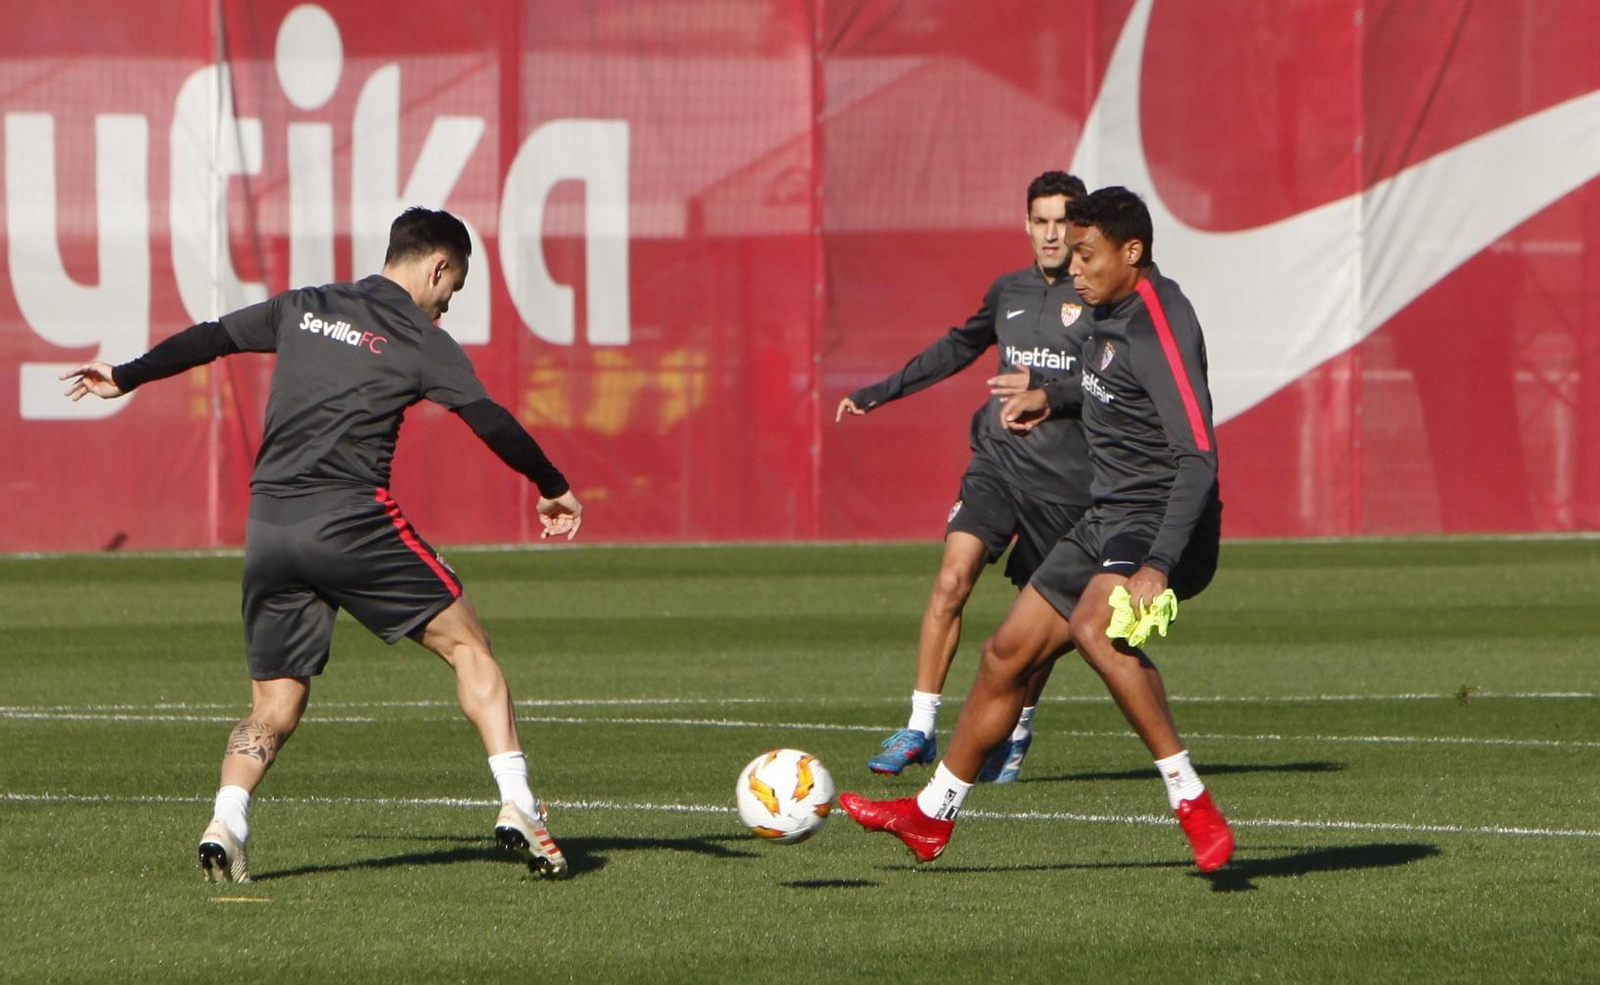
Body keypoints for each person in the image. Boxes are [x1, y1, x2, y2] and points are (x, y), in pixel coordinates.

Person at [62, 207, 583, 883]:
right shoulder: (420, 337)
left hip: (271, 529)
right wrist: (553, 484)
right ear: (438, 266)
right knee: (469, 646)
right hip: (352, 521)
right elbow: (488, 419)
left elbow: (214, 337)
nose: (447, 305)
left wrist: (128, 374)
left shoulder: (304, 306)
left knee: (273, 705)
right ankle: (517, 800)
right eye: (450, 290)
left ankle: (228, 818)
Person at [838, 186, 1234, 872]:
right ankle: (932, 815)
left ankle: (1191, 797)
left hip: (1159, 522)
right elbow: (1106, 384)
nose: (1073, 268)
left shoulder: (1160, 320)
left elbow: (1198, 455)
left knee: (1092, 626)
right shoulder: (1108, 316)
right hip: (1105, 515)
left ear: (1131, 252)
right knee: (1004, 654)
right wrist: (1054, 395)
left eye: (1086, 253)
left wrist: (1159, 563)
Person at [836, 171, 1093, 783]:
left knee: (1037, 628)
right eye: (1041, 220)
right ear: (1026, 224)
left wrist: (1047, 393)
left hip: (1067, 486)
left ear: (1080, 226)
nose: (1051, 233)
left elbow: (1116, 385)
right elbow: (958, 346)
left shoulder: (1101, 299)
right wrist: (881, 392)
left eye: (1063, 220)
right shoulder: (1010, 291)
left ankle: (1018, 727)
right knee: (952, 580)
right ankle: (920, 729)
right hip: (998, 466)